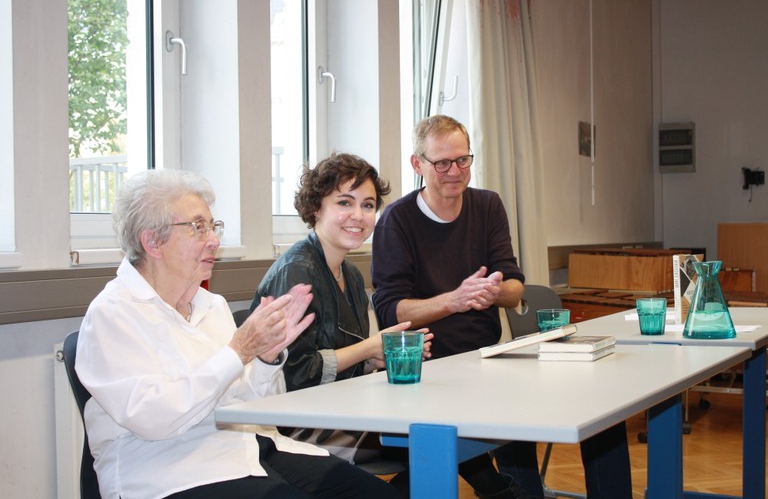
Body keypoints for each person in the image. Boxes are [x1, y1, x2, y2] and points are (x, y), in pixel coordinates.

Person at [76, 168, 399, 499]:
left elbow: (252, 405)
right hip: (168, 470)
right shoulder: (113, 314)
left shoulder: (211, 306)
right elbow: (154, 420)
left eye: (213, 226)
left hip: (245, 447)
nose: (214, 240)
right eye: (197, 227)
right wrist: (239, 351)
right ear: (152, 241)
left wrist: (266, 358)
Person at [371, 114, 633, 499]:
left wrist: (493, 292)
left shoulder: (487, 205)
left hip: (487, 358)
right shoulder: (398, 219)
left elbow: (514, 288)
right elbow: (390, 312)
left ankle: (519, 490)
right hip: (430, 366)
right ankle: (510, 490)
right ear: (418, 164)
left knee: (603, 408)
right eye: (441, 162)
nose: (455, 172)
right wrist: (454, 300)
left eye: (463, 160)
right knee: (497, 428)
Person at [252, 153, 431, 476]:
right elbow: (294, 375)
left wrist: (376, 357)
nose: (358, 216)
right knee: (431, 444)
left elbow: (337, 357)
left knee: (436, 438)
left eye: (367, 205)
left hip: (339, 408)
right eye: (345, 203)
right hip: (296, 425)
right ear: (316, 207)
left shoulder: (351, 273)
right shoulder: (297, 271)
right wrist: (369, 347)